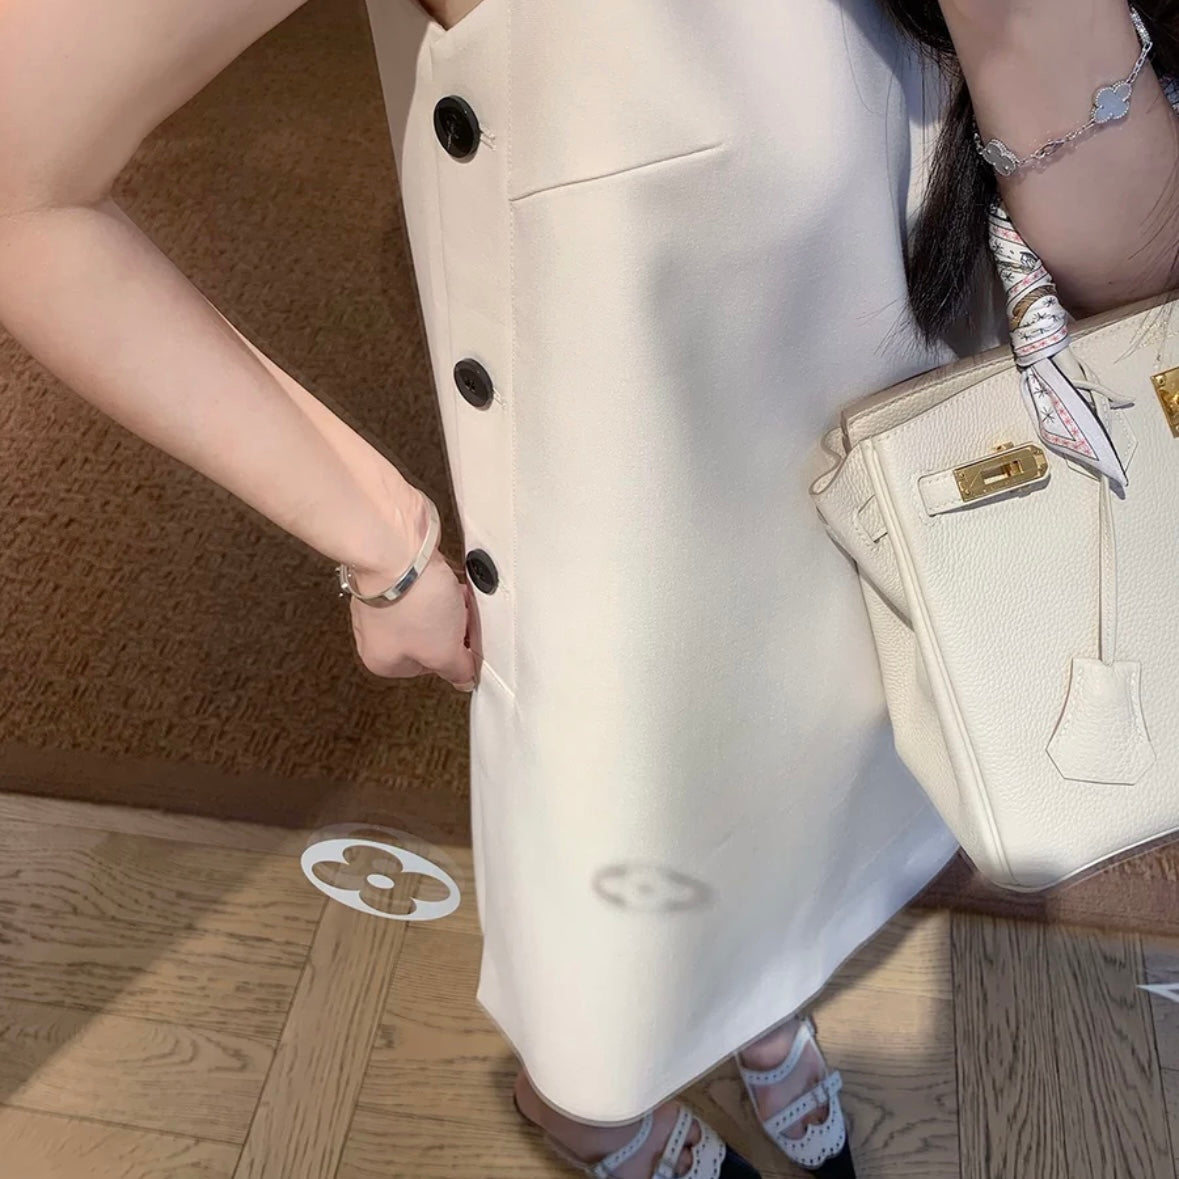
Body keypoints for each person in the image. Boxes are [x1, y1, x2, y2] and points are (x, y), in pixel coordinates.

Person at [1, 1, 1177, 1176]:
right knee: (622, 858)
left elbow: (1124, 257)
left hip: (903, 473)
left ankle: (757, 998)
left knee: (818, 791)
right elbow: (24, 182)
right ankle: (590, 1108)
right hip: (631, 539)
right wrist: (377, 541)